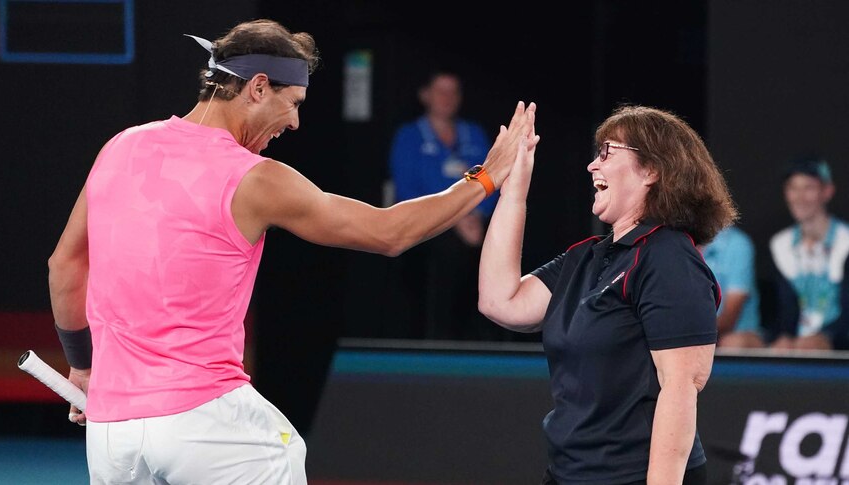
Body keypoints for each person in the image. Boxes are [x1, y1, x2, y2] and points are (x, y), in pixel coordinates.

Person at [46, 19, 537, 484]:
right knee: (282, 448)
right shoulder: (255, 177)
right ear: (258, 87)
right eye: (294, 101)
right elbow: (390, 232)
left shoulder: (120, 148)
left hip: (113, 431)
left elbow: (65, 265)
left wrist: (85, 368)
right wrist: (487, 176)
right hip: (203, 419)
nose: (296, 123)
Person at [478, 105, 737, 484]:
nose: (591, 166)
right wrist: (514, 190)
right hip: (570, 473)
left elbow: (681, 389)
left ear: (651, 170)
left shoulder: (668, 257)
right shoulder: (586, 257)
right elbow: (500, 301)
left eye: (607, 152)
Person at [388, 70, 501, 340]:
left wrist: (476, 215)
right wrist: (455, 219)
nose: (447, 98)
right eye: (441, 91)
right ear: (425, 95)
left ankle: (487, 342)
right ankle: (439, 340)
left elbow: (494, 180)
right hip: (427, 227)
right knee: (448, 251)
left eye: (454, 92)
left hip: (473, 222)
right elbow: (406, 190)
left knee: (496, 241)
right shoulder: (409, 136)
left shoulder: (473, 133)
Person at [766, 157, 849, 351]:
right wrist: (784, 337)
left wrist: (828, 338)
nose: (799, 197)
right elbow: (786, 310)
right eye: (793, 188)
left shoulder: (845, 241)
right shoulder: (781, 244)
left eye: (808, 188)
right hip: (799, 348)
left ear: (827, 192)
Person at [699, 224, 765, 348]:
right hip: (691, 337)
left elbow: (729, 318)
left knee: (732, 343)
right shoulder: (674, 245)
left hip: (735, 336)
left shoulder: (737, 244)